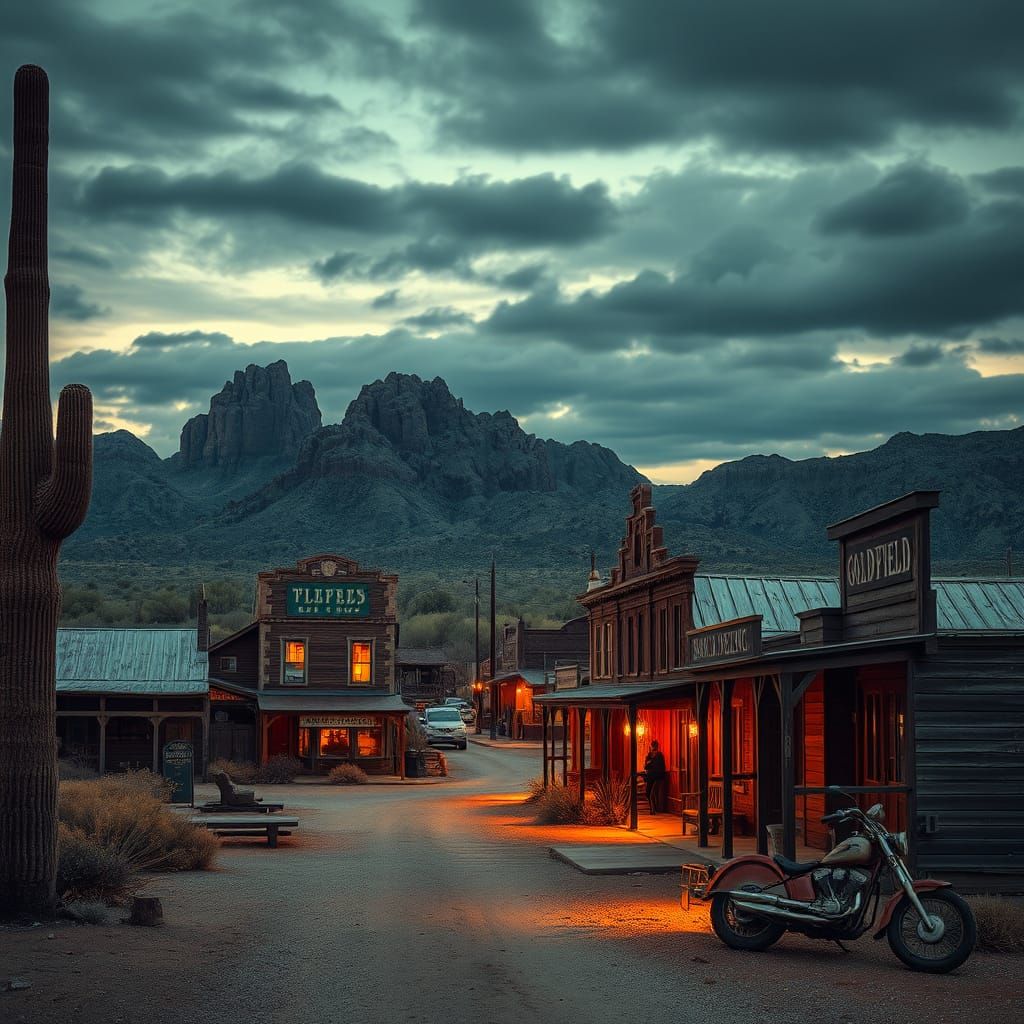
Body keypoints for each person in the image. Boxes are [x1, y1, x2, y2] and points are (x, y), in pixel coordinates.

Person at [643, 739, 668, 814]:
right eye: (652, 746)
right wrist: (649, 764)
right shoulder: (649, 755)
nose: (653, 748)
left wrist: (649, 764)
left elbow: (660, 767)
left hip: (657, 778)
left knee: (651, 793)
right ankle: (652, 809)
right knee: (648, 793)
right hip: (650, 777)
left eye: (654, 746)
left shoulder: (659, 755)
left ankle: (653, 810)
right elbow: (645, 766)